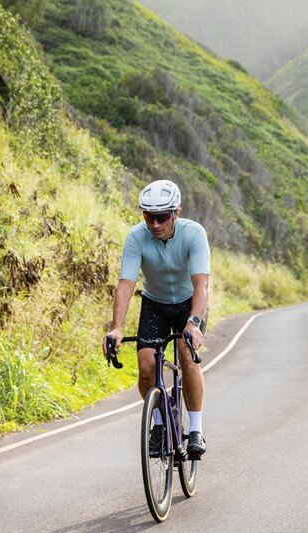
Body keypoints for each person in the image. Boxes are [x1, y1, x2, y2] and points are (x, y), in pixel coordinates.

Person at [105, 180, 211, 458]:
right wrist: (116, 329)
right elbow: (126, 283)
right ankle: (160, 424)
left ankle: (196, 429)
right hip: (155, 303)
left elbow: (202, 284)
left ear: (176, 213)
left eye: (161, 217)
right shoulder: (136, 237)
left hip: (189, 304)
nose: (154, 224)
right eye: (148, 217)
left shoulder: (194, 234)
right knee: (145, 366)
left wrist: (195, 324)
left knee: (187, 357)